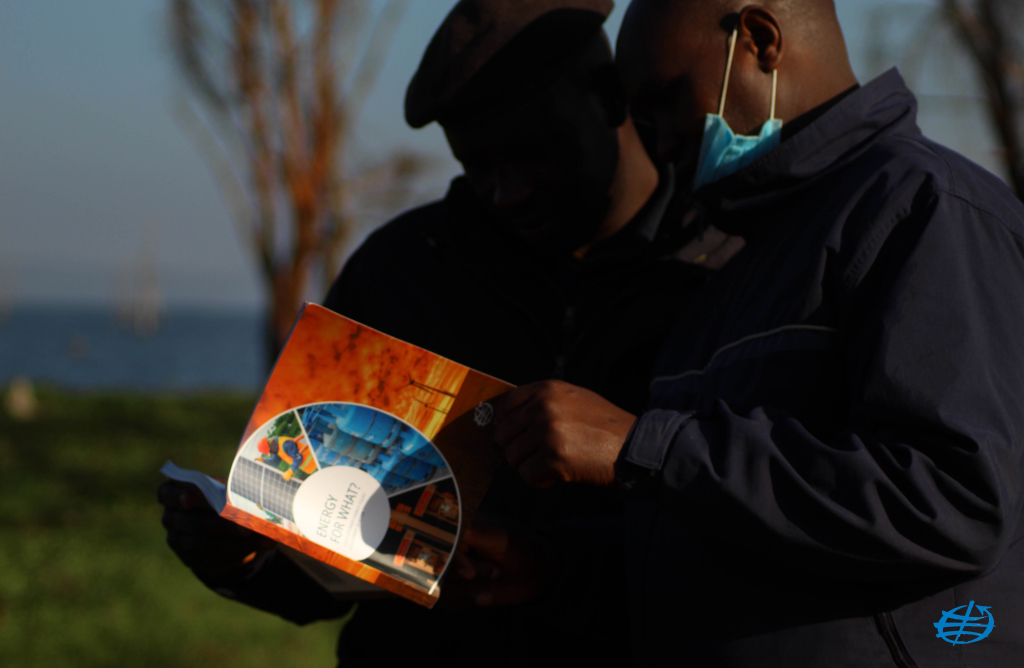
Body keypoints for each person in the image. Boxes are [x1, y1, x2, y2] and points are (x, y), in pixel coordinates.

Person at [158, 1, 728, 666]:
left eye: (531, 153)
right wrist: (244, 558)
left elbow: (766, 536)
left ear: (609, 96)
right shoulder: (405, 271)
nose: (507, 192)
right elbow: (319, 567)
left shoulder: (733, 264)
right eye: (478, 167)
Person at [482, 0, 1024, 666]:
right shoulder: (737, 271)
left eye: (666, 98)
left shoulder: (924, 208)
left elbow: (954, 499)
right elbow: (730, 540)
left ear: (761, 39)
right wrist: (554, 569)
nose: (659, 139)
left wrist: (639, 445)